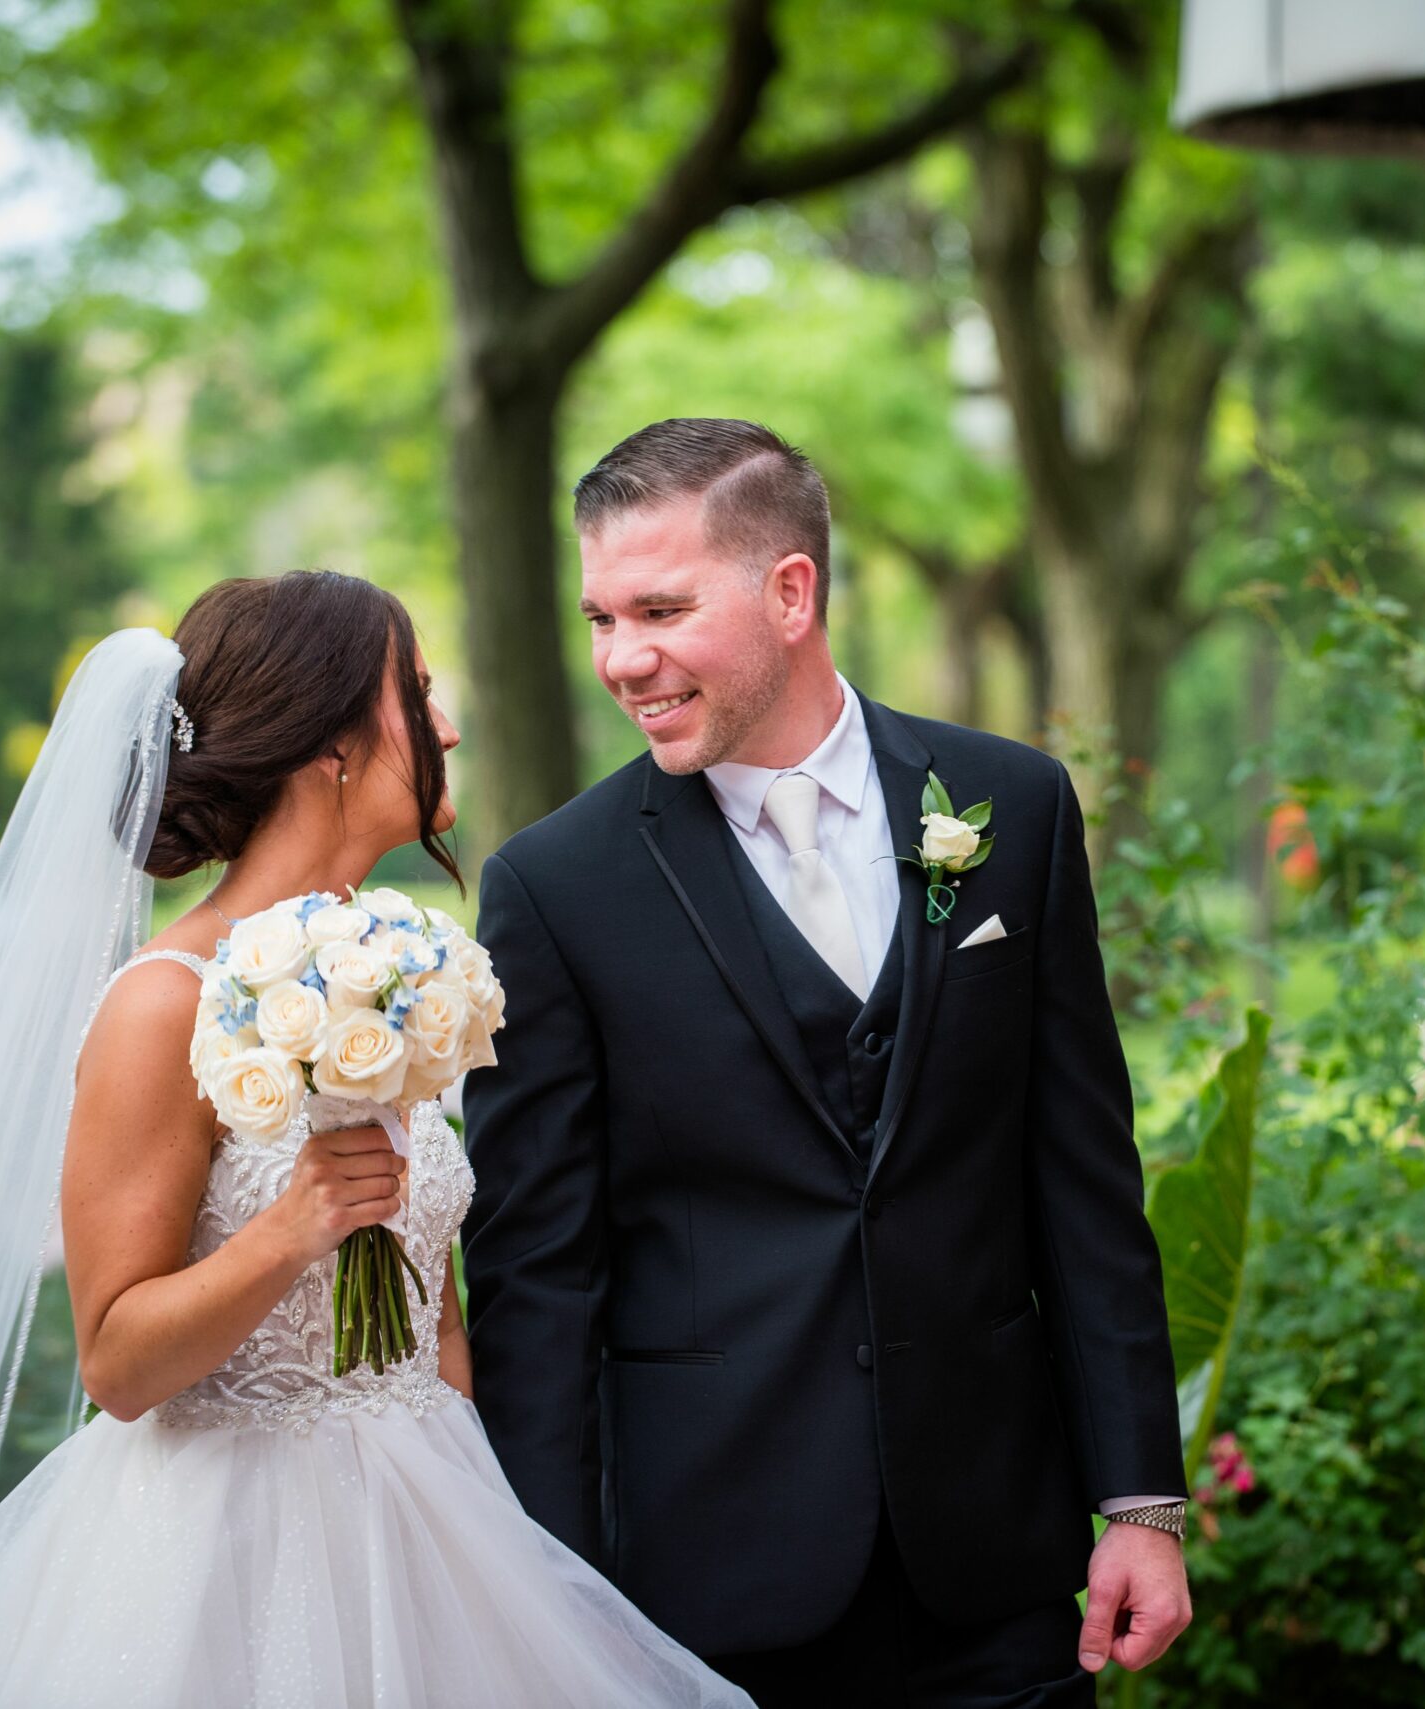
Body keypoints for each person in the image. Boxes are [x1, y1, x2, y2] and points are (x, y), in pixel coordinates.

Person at [0, 572, 752, 1709]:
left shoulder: (413, 972)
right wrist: (290, 1229)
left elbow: (432, 1321)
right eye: (415, 691)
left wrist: (502, 1542)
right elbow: (117, 1363)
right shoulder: (162, 1003)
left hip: (436, 1523)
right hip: (225, 1562)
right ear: (333, 746)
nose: (448, 724)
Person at [463, 419, 1192, 1708]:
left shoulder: (1010, 805)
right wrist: (549, 1599)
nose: (622, 660)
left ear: (790, 591)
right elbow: (537, 1279)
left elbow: (1081, 1175)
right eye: (600, 618)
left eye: (661, 609)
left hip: (994, 1566)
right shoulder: (555, 886)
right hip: (706, 1586)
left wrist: (1140, 1500)